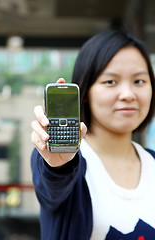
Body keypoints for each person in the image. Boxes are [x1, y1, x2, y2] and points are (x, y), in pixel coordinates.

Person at [31, 29, 155, 240]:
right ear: (85, 91)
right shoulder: (63, 159)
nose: (128, 95)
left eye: (139, 81)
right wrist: (59, 166)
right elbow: (54, 184)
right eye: (110, 82)